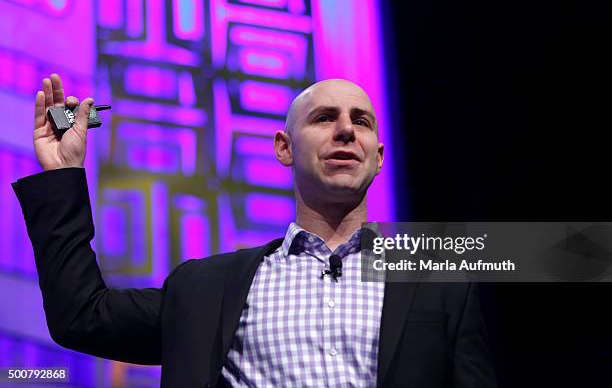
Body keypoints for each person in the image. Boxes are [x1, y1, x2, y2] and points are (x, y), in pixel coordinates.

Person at [12, 74, 497, 387]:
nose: (346, 131)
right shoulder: (206, 289)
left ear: (378, 155)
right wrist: (61, 175)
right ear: (284, 148)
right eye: (325, 118)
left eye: (362, 122)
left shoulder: (441, 287)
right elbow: (81, 315)